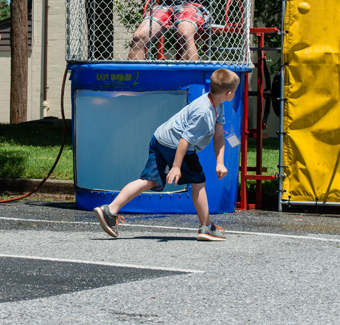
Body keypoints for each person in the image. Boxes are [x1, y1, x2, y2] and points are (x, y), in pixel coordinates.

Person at [94, 68, 240, 241]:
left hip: (160, 138)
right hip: (175, 145)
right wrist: (176, 166)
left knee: (149, 180)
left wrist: (220, 162)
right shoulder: (204, 112)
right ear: (228, 93)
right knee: (199, 181)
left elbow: (219, 135)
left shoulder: (217, 104)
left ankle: (109, 210)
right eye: (235, 90)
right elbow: (185, 140)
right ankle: (206, 227)